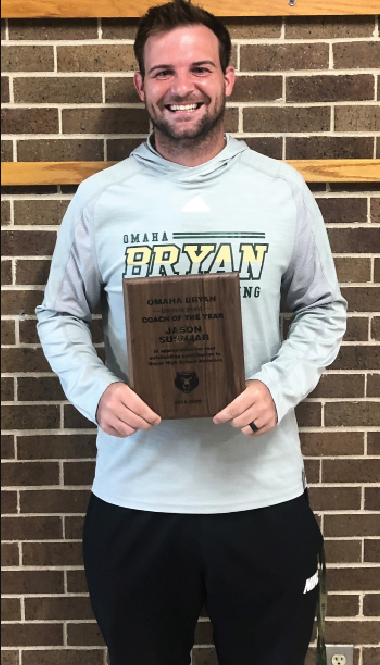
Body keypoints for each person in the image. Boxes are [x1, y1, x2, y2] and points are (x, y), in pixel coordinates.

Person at [36, 2, 346, 664]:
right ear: (139, 86)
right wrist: (95, 390)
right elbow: (59, 314)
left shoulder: (281, 190)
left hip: (262, 499)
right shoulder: (99, 198)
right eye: (163, 71)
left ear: (229, 77)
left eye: (200, 67)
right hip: (136, 499)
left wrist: (277, 384)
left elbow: (324, 307)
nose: (183, 86)